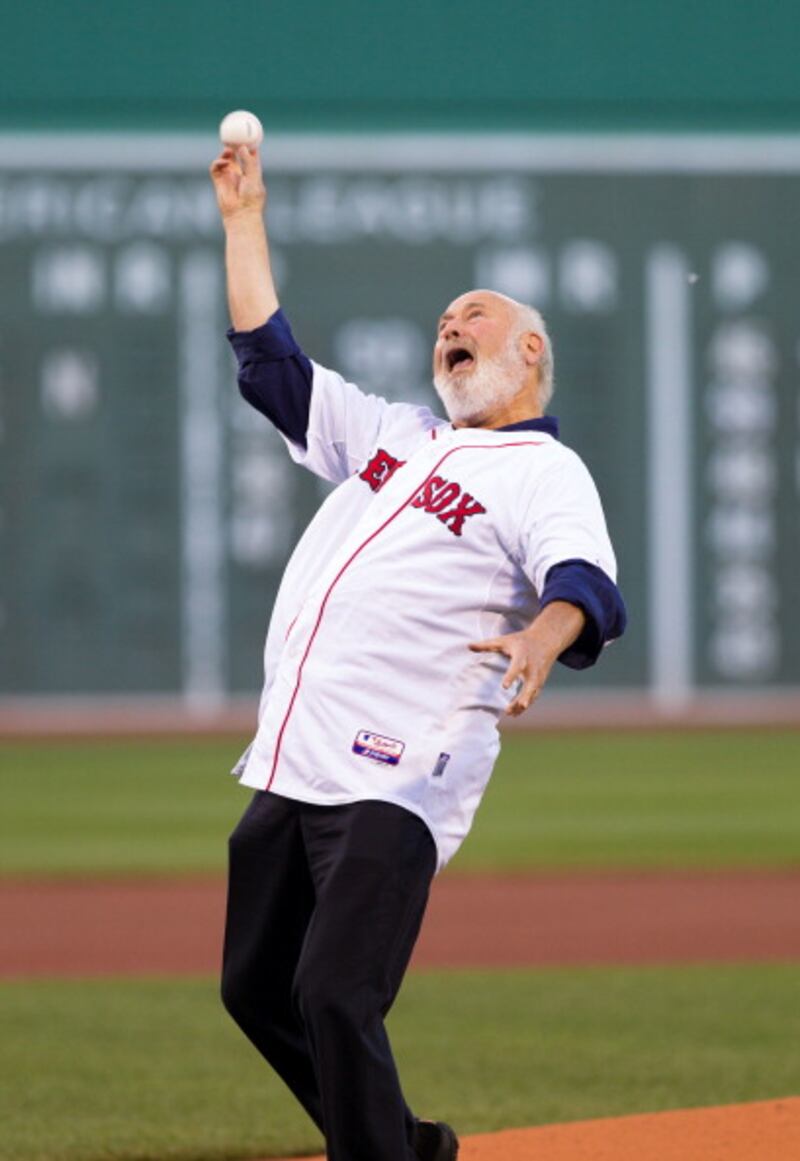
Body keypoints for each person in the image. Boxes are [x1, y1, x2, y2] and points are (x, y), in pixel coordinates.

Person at [209, 143, 626, 1161]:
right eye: (443, 320)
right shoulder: (397, 439)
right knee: (255, 987)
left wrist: (541, 635)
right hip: (298, 758)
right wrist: (243, 220)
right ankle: (408, 1146)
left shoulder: (544, 471)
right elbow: (271, 363)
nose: (451, 326)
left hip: (398, 770)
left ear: (529, 350)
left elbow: (586, 583)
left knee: (333, 991)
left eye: (473, 316)